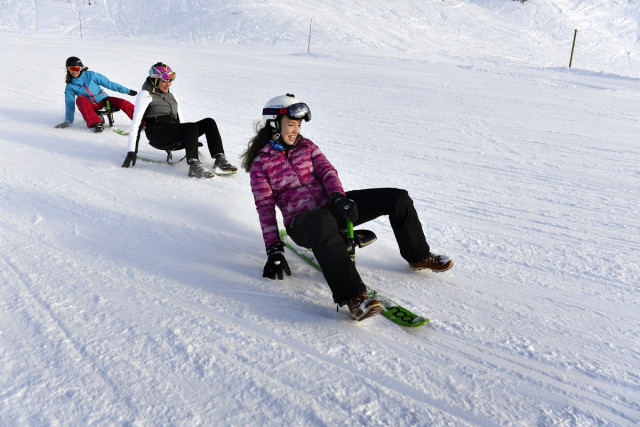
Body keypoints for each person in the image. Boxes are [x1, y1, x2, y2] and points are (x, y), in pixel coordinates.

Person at [241, 94, 454, 322]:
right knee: (322, 220)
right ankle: (354, 298)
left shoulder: (306, 146)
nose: (296, 130)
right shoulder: (261, 164)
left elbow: (327, 171)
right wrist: (274, 249)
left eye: (298, 125)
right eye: (290, 125)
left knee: (397, 198)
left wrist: (339, 198)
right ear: (274, 125)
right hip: (303, 223)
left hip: (331, 209)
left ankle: (418, 255)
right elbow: (264, 208)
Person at [121, 62, 237, 178]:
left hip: (171, 130)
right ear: (155, 81)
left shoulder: (171, 96)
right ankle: (194, 166)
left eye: (170, 80)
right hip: (157, 133)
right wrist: (132, 151)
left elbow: (181, 121)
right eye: (164, 81)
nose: (168, 84)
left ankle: (219, 158)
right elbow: (136, 124)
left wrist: (188, 139)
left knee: (209, 122)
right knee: (191, 127)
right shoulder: (145, 95)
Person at [55, 56, 136, 133]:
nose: (74, 72)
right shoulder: (70, 86)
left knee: (122, 102)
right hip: (89, 105)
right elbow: (70, 104)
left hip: (104, 100)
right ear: (67, 69)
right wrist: (67, 121)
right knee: (80, 99)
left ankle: (142, 121)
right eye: (71, 69)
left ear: (81, 68)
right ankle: (96, 123)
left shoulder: (91, 75)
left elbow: (109, 84)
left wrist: (127, 91)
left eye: (76, 68)